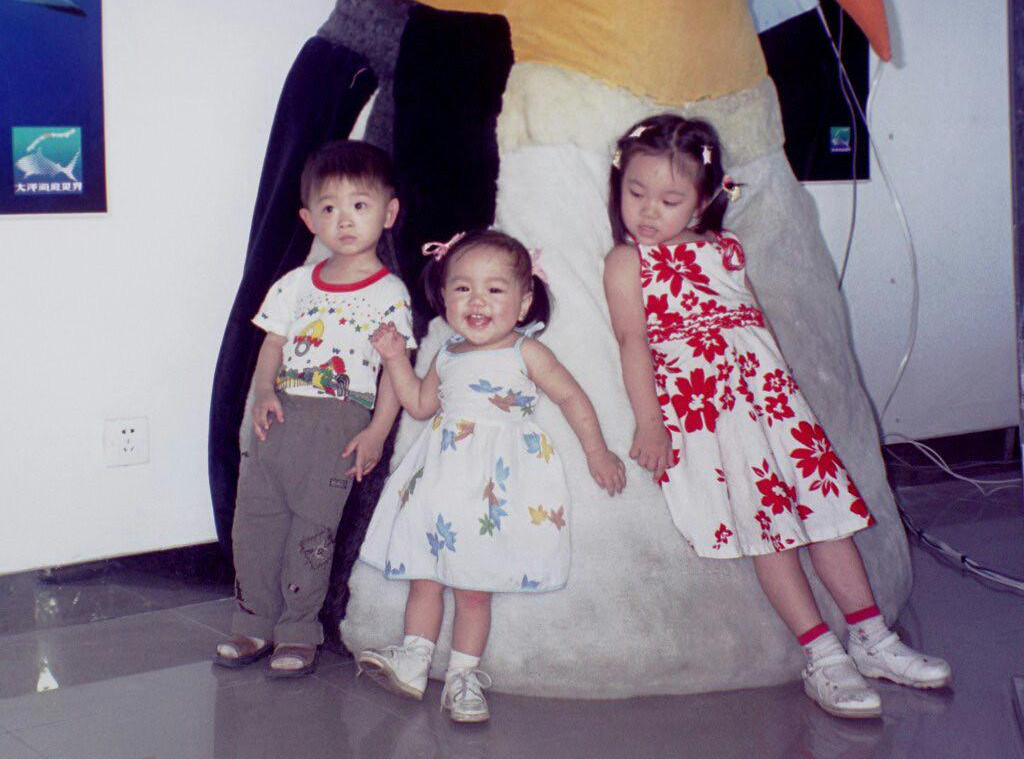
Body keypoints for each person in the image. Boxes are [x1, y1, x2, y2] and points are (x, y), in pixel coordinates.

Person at [603, 114, 951, 719]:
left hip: (773, 405)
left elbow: (754, 329)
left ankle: (872, 638)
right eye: (636, 193)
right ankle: (822, 654)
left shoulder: (724, 249)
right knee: (769, 532)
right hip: (711, 415)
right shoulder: (627, 263)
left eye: (669, 200)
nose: (649, 211)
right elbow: (634, 343)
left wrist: (781, 400)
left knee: (828, 518)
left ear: (702, 201)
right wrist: (650, 422)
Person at [357, 229, 626, 722]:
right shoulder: (446, 353)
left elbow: (571, 398)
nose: (476, 300)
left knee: (474, 588)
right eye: (462, 288)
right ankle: (414, 659)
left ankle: (462, 676)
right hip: (439, 480)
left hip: (492, 488)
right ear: (444, 296)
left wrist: (598, 452)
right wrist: (395, 359)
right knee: (425, 575)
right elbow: (418, 404)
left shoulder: (526, 352)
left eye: (494, 289)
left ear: (523, 302)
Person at [214, 139, 414, 677]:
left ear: (388, 212)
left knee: (312, 534)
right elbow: (273, 344)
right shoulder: (295, 284)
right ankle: (252, 623)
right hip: (280, 418)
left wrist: (377, 432)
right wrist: (263, 392)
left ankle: (298, 631)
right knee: (255, 525)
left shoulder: (390, 293)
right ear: (309, 219)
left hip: (339, 425)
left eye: (359, 205)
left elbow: (394, 371)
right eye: (329, 207)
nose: (344, 219)